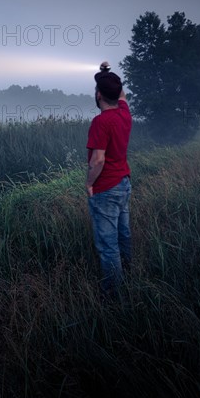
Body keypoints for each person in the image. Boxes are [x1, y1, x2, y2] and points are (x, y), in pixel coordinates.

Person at [86, 62, 132, 296]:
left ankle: (114, 296)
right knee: (123, 234)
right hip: (124, 183)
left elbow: (98, 161)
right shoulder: (124, 113)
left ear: (99, 95)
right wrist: (107, 75)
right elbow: (121, 94)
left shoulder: (101, 122)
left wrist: (89, 184)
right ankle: (130, 275)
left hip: (107, 188)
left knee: (107, 245)